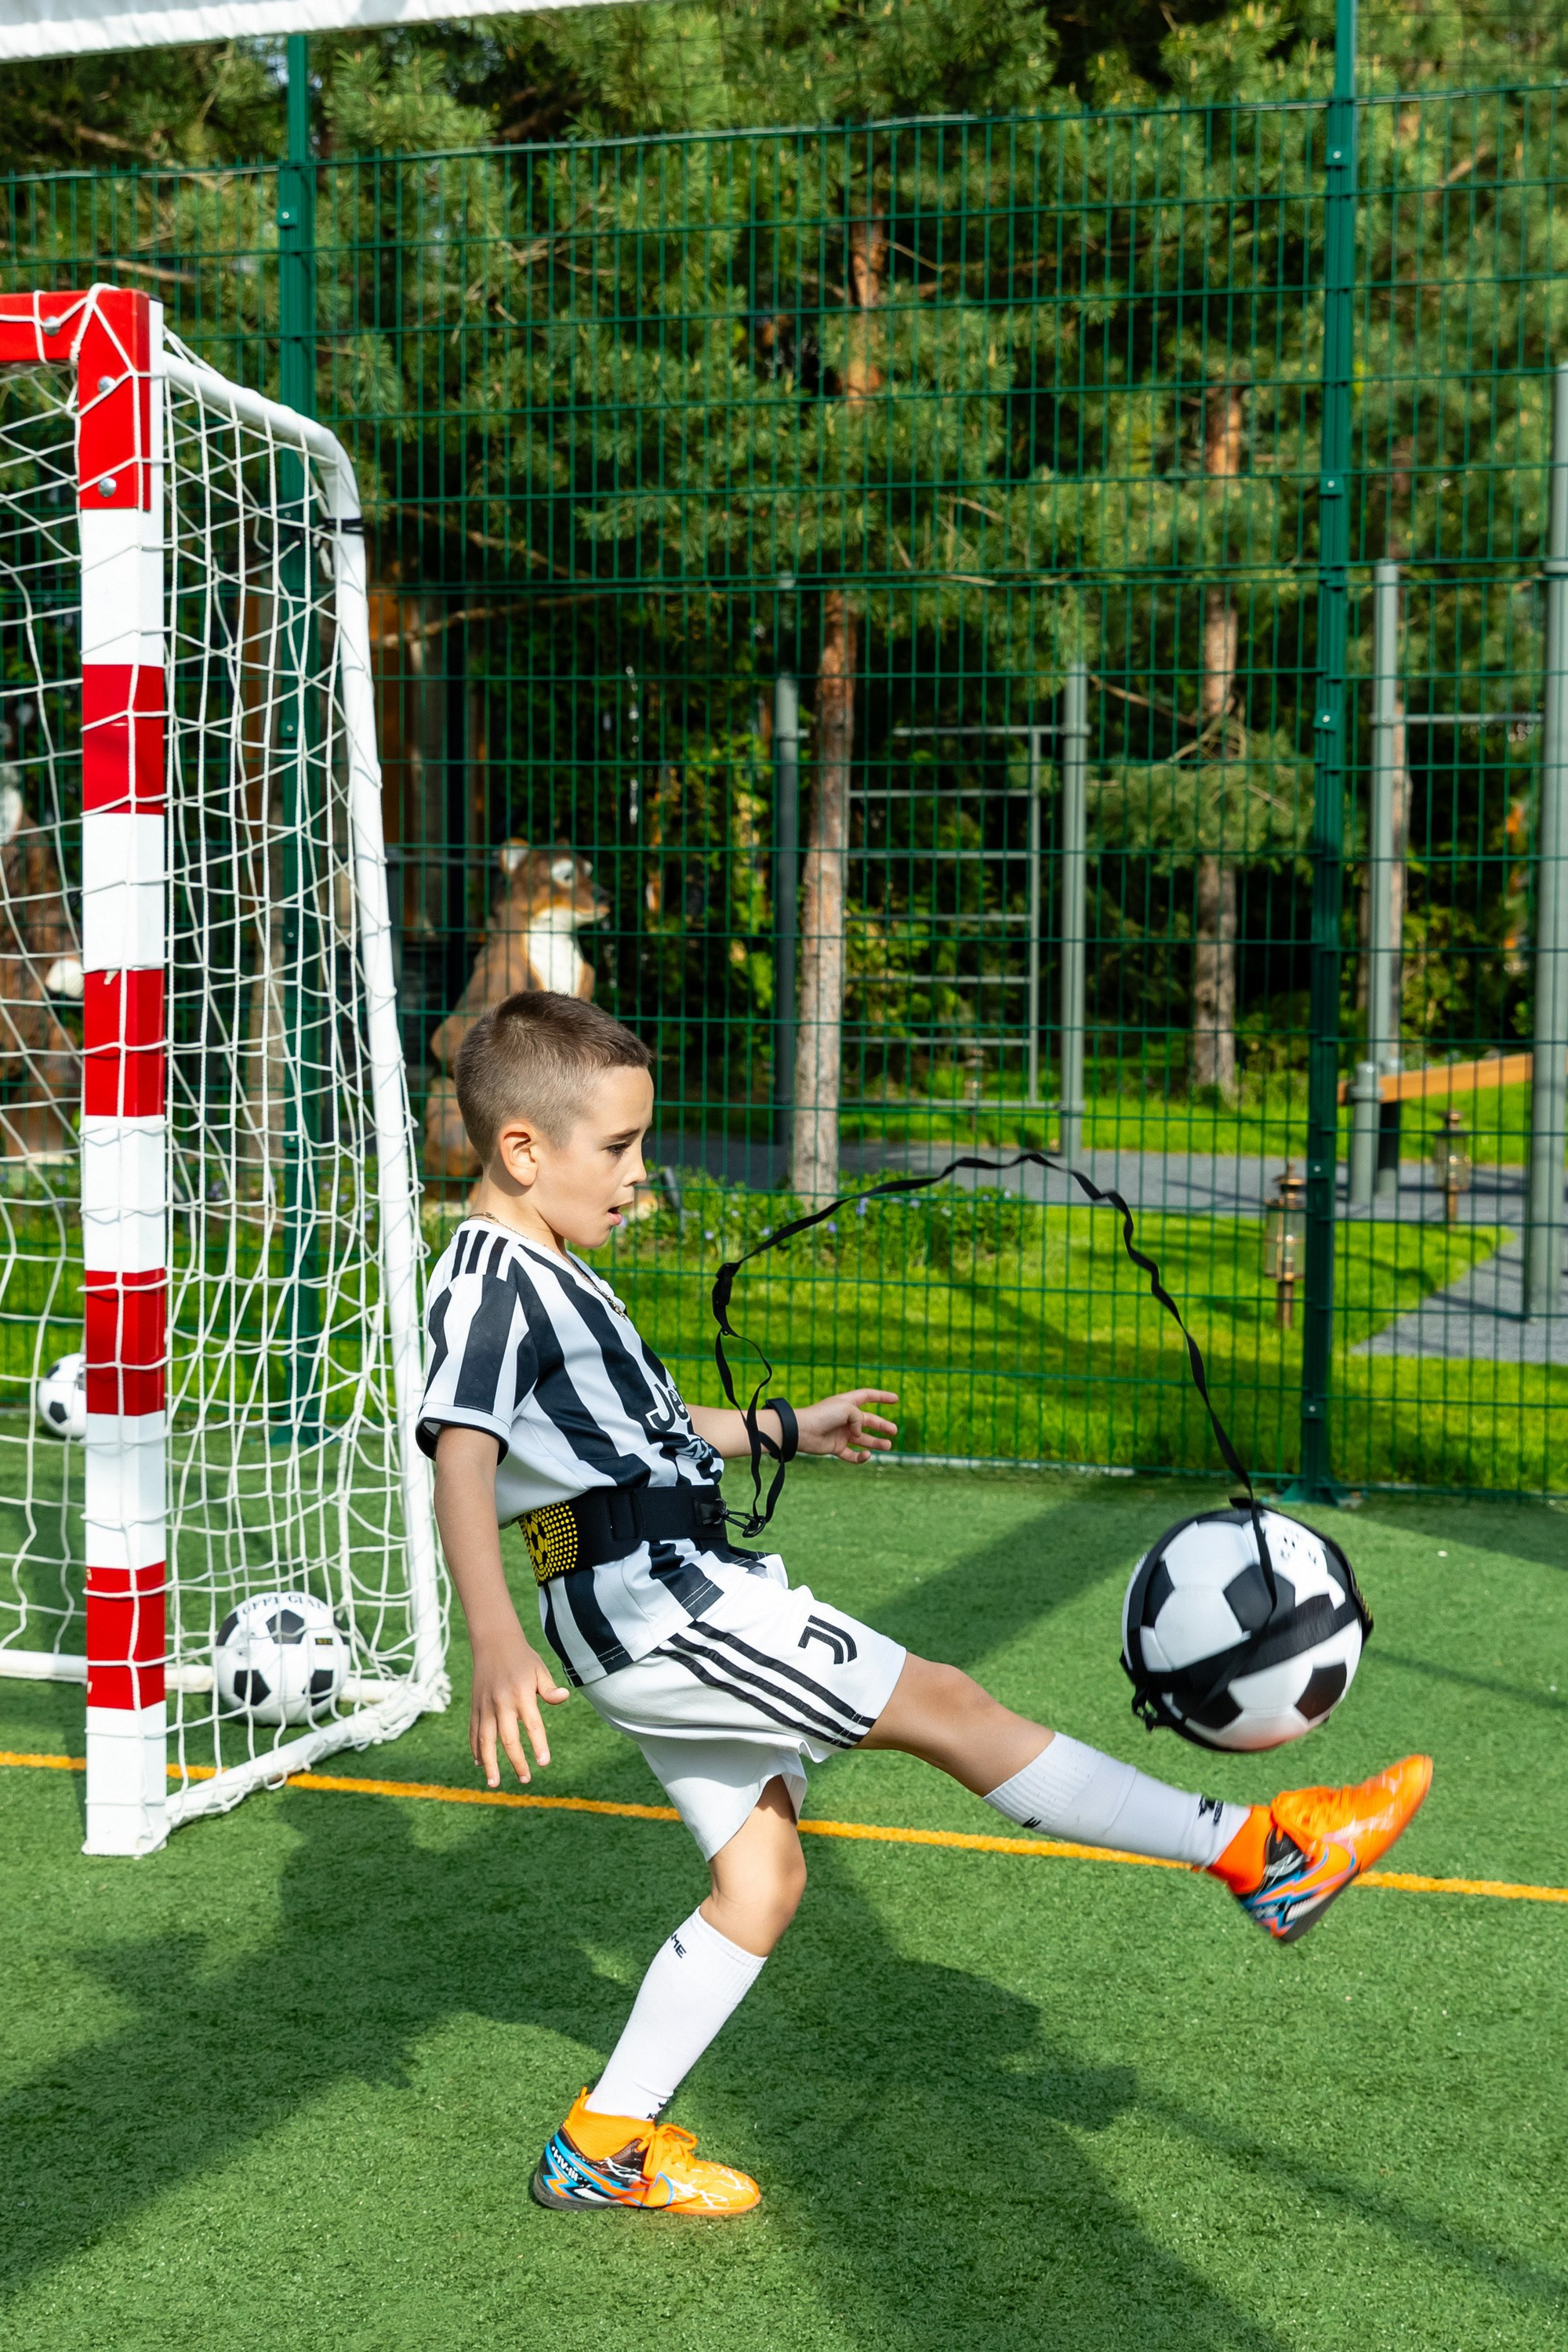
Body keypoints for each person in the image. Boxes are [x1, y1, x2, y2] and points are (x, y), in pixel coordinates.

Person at [420, 989, 1432, 2220]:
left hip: (648, 1592)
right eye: (622, 1148)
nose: (640, 1173)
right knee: (947, 1704)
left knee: (762, 1883)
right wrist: (491, 1635)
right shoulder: (489, 1280)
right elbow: (461, 1453)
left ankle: (604, 2140)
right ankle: (1264, 1853)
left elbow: (644, 1436)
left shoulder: (550, 1267)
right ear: (522, 1150)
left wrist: (788, 1426)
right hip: (660, 1602)